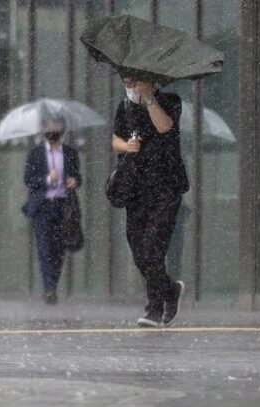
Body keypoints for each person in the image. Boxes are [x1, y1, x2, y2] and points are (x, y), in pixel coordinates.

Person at [112, 74, 189, 327]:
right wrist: (127, 146)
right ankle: (170, 290)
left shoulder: (170, 101)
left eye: (134, 80)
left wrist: (149, 98)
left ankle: (154, 308)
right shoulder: (124, 107)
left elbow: (164, 126)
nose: (130, 86)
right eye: (126, 80)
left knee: (152, 249)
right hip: (136, 189)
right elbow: (115, 139)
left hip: (165, 188)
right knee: (138, 252)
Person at [22, 112, 82, 305]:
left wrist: (74, 180)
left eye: (56, 128)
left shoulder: (70, 152)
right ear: (43, 130)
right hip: (43, 207)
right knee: (44, 247)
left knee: (59, 249)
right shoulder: (36, 153)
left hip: (64, 207)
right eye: (49, 128)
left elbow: (77, 176)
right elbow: (29, 179)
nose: (52, 132)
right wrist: (49, 179)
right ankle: (49, 288)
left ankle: (52, 283)